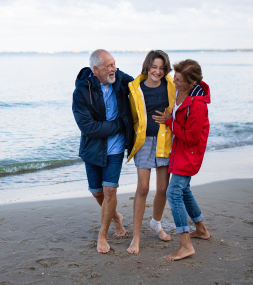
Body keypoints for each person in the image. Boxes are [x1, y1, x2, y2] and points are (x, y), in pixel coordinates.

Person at [72, 49, 134, 253]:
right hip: (93, 147)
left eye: (115, 63)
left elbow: (144, 86)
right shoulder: (81, 91)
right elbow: (88, 128)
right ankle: (116, 216)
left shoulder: (121, 80)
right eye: (109, 65)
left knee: (110, 190)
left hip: (115, 146)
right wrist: (119, 124)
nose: (114, 69)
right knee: (97, 192)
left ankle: (103, 235)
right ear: (95, 69)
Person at [153, 59, 211, 261]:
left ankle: (185, 245)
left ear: (191, 82)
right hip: (179, 151)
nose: (174, 82)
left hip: (190, 153)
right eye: (174, 78)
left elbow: (191, 137)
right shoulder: (180, 91)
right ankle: (201, 229)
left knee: (174, 192)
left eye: (178, 80)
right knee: (184, 190)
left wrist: (170, 122)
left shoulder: (197, 106)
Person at [125, 50, 176, 255]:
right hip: (144, 141)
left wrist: (169, 120)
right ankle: (136, 237)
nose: (158, 71)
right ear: (147, 66)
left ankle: (156, 223)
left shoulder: (170, 85)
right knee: (143, 188)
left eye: (162, 68)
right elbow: (129, 116)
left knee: (163, 188)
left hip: (165, 140)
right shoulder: (135, 87)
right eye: (154, 67)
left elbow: (182, 103)